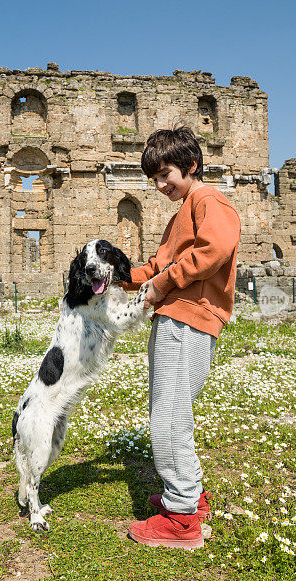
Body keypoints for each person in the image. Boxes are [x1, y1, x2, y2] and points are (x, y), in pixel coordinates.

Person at [123, 126, 241, 549]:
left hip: (186, 319)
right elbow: (157, 264)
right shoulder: (184, 211)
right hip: (178, 318)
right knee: (174, 410)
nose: (159, 185)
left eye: (165, 174)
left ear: (191, 165)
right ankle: (189, 496)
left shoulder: (209, 200)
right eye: (153, 178)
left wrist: (161, 284)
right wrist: (120, 276)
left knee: (168, 419)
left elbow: (215, 249)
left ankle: (181, 519)